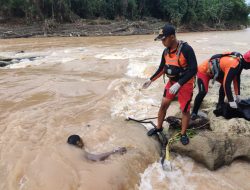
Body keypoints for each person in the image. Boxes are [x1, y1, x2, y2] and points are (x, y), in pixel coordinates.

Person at [142, 24, 198, 145]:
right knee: (164, 105)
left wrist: (179, 84)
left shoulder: (186, 49)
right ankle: (158, 127)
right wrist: (151, 80)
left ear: (172, 37)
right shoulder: (165, 51)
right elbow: (162, 68)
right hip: (171, 82)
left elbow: (193, 69)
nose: (162, 42)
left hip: (185, 83)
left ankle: (183, 134)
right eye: (161, 39)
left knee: (185, 109)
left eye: (164, 39)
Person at [191, 50, 250, 120]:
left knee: (223, 87)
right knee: (203, 92)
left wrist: (237, 95)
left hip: (218, 72)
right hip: (204, 71)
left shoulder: (240, 63)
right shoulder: (235, 64)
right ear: (248, 62)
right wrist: (231, 101)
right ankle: (194, 112)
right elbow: (226, 84)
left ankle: (220, 104)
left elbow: (236, 80)